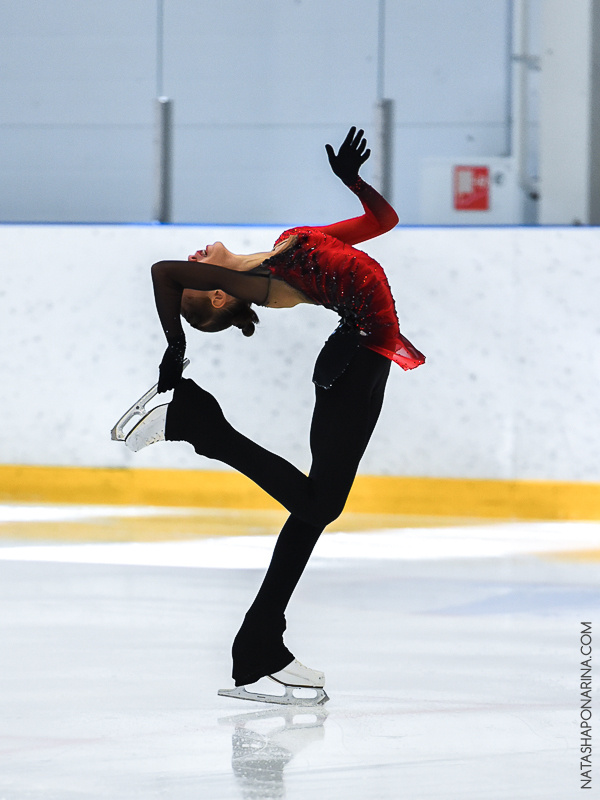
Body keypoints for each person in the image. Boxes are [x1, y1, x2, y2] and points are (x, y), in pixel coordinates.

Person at [123, 127, 425, 704]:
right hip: (356, 362)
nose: (195, 259)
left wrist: (354, 182)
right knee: (319, 506)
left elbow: (382, 223)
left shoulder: (287, 245)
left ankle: (258, 646)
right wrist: (175, 346)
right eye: (200, 277)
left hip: (364, 356)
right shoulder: (260, 283)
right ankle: (197, 426)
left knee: (315, 507)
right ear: (218, 294)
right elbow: (164, 271)